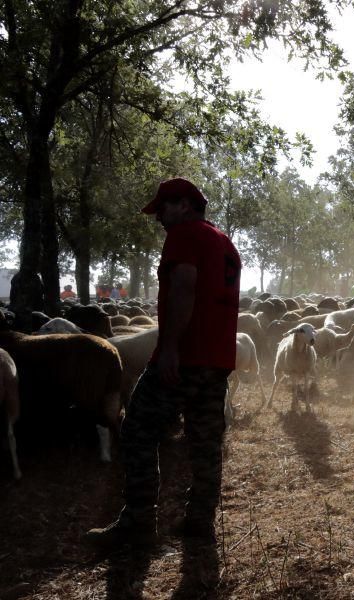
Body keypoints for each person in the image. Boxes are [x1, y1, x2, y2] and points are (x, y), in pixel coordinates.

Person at [86, 177, 242, 549]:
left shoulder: (186, 235)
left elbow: (185, 286)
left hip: (184, 357)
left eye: (164, 208)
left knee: (137, 429)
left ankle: (138, 522)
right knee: (205, 441)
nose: (160, 217)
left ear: (185, 205)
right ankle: (200, 522)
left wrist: (169, 346)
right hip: (217, 360)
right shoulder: (225, 244)